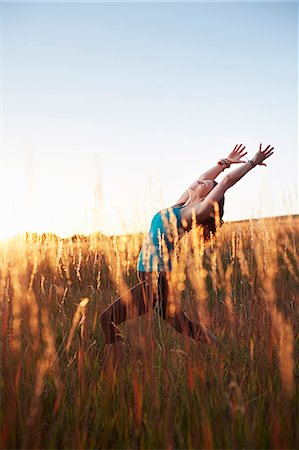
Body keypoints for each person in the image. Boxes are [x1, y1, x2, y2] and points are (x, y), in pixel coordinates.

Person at [100, 143, 274, 347]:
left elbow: (225, 182)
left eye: (205, 185)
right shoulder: (181, 205)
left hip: (156, 278)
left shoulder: (192, 213)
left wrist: (252, 162)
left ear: (208, 197)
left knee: (107, 319)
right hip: (150, 275)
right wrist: (223, 162)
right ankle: (220, 349)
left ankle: (116, 361)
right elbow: (206, 177)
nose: (200, 182)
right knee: (182, 325)